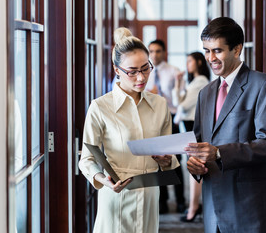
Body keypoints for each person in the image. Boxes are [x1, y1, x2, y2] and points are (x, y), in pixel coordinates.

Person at [79, 27, 179, 233]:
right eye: (132, 72)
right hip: (117, 194)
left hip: (150, 194)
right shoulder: (100, 107)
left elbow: (170, 155)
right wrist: (103, 180)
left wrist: (167, 160)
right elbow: (87, 160)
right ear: (117, 70)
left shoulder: (160, 105)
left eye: (145, 68)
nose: (141, 78)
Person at [185, 17, 266, 233]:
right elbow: (199, 144)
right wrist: (195, 166)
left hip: (249, 209)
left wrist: (218, 153)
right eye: (207, 51)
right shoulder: (205, 93)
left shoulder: (264, 85)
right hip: (212, 212)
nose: (210, 58)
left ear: (237, 49)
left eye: (217, 51)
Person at [146, 39, 186, 213]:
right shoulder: (144, 72)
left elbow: (182, 98)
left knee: (175, 162)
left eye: (158, 51)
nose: (154, 55)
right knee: (157, 162)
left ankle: (181, 201)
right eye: (151, 51)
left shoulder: (174, 72)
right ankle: (162, 202)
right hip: (152, 120)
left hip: (171, 119)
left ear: (164, 52)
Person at [171, 52, 210, 222]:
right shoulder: (194, 82)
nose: (187, 64)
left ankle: (193, 209)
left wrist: (180, 92)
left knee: (194, 169)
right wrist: (178, 83)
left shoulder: (201, 81)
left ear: (199, 62)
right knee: (193, 168)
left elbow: (182, 105)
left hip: (194, 127)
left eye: (190, 61)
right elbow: (177, 101)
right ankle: (194, 208)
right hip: (189, 126)